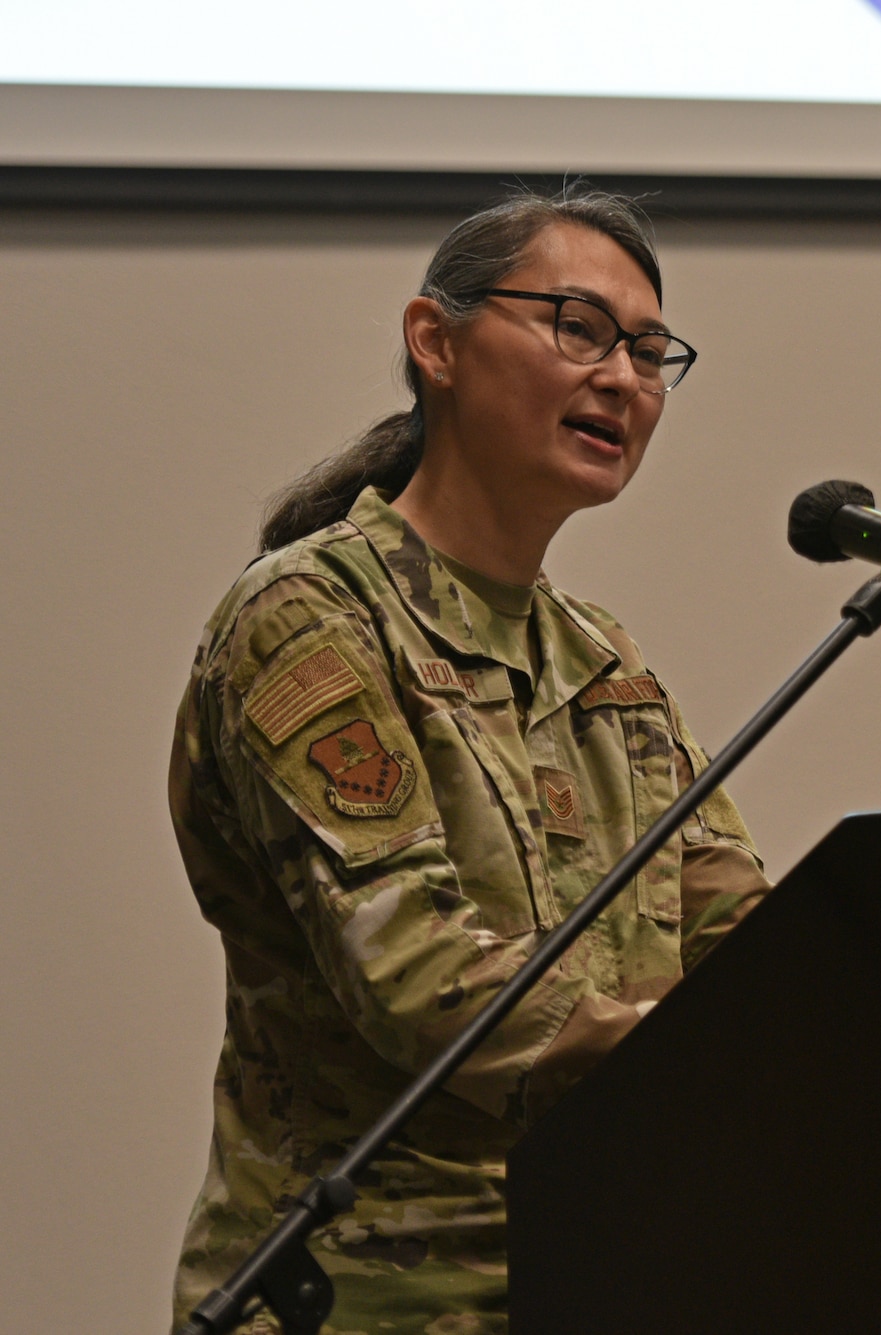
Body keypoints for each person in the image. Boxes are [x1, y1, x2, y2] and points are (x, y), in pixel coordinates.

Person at [168, 187, 770, 1334]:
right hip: (364, 1302)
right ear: (433, 342)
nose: (622, 379)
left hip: (600, 1279)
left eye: (649, 352)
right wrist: (707, 1054)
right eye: (578, 328)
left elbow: (745, 948)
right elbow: (418, 985)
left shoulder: (602, 660)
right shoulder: (309, 616)